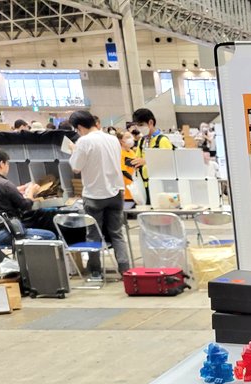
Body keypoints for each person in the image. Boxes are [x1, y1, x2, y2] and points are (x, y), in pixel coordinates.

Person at [67, 110, 130, 275]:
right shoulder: (112, 139)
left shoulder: (83, 141)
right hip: (115, 192)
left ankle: (95, 271)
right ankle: (125, 269)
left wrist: (73, 150)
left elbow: (76, 167)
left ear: (80, 127)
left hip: (94, 194)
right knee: (117, 234)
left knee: (93, 235)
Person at [0, 148, 58, 243]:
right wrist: (31, 192)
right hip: (6, 232)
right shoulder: (5, 184)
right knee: (50, 236)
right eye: (7, 164)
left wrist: (15, 190)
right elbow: (26, 206)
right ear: (2, 164)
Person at [130, 107, 174, 204]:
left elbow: (169, 164)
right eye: (137, 125)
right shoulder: (142, 141)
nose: (139, 128)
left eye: (141, 125)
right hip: (145, 185)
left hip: (161, 186)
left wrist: (146, 162)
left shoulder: (162, 140)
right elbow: (138, 158)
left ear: (150, 122)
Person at [118, 130, 138, 209]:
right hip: (125, 190)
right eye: (127, 137)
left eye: (130, 137)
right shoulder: (120, 152)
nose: (130, 139)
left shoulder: (132, 152)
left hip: (134, 189)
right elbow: (123, 171)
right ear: (121, 140)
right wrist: (134, 179)